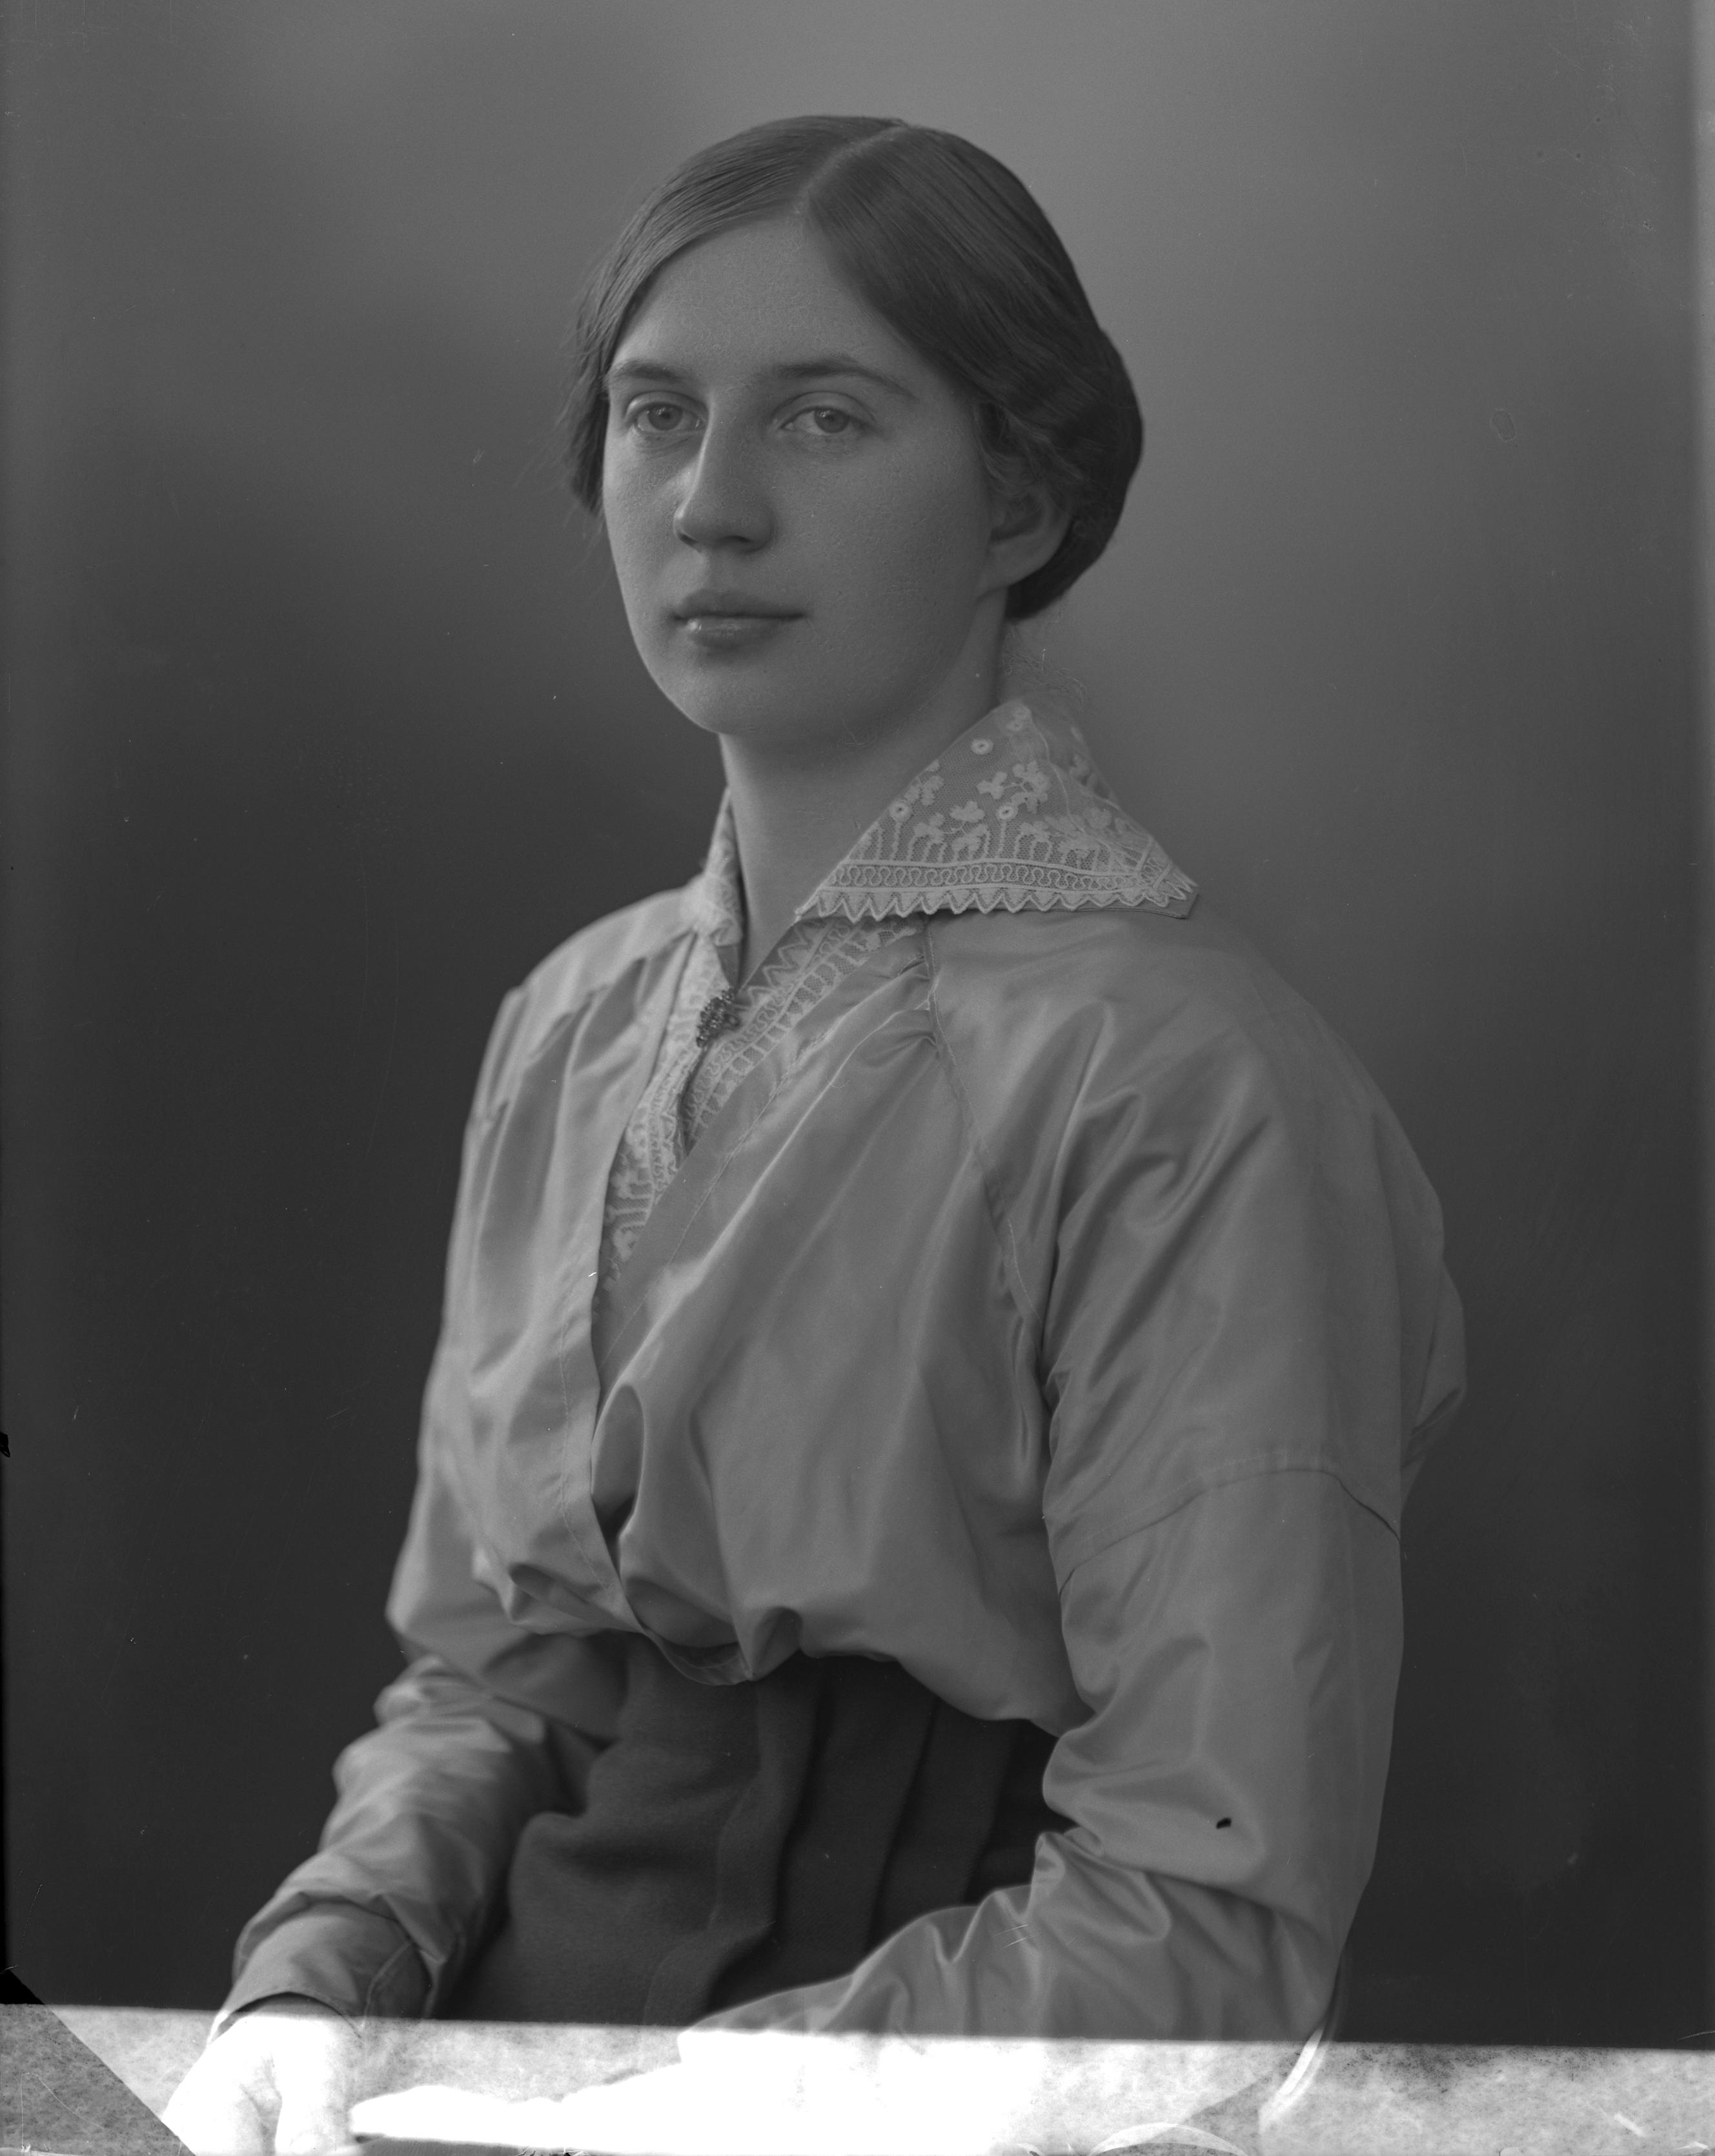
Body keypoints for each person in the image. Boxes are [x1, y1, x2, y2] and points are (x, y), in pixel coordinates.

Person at [165, 116, 1465, 2155]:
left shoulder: (1187, 1086)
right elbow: (499, 1675)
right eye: (655, 415)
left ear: (1018, 496)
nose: (711, 504)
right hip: (486, 2060)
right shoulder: (573, 1022)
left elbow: (1213, 1913)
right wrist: (322, 1977)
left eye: (826, 417)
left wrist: (727, 2109)